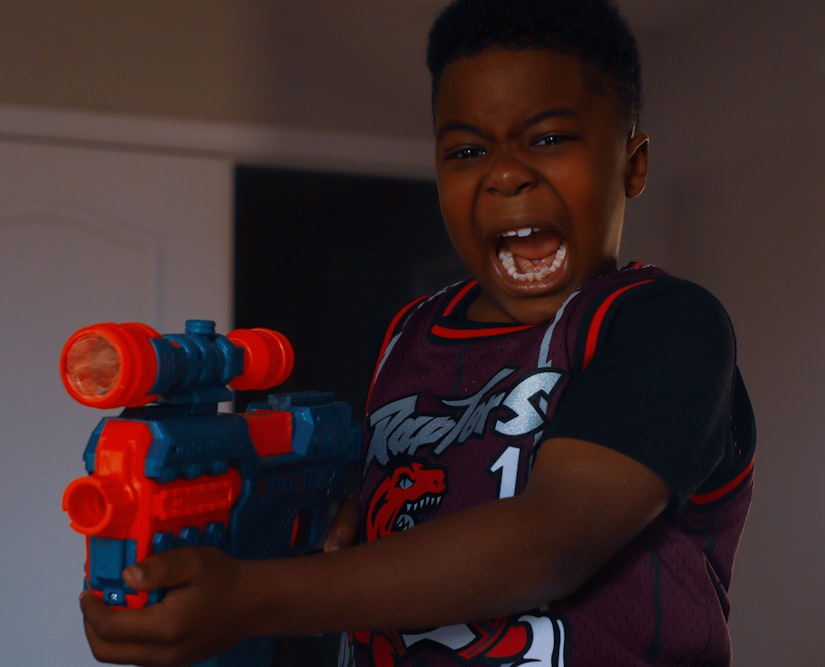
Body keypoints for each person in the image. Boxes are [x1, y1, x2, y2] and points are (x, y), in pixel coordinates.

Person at [80, 0, 755, 665]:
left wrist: (253, 596)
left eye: (548, 138)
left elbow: (553, 540)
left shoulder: (662, 322)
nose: (505, 173)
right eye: (466, 149)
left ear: (633, 165)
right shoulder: (411, 330)